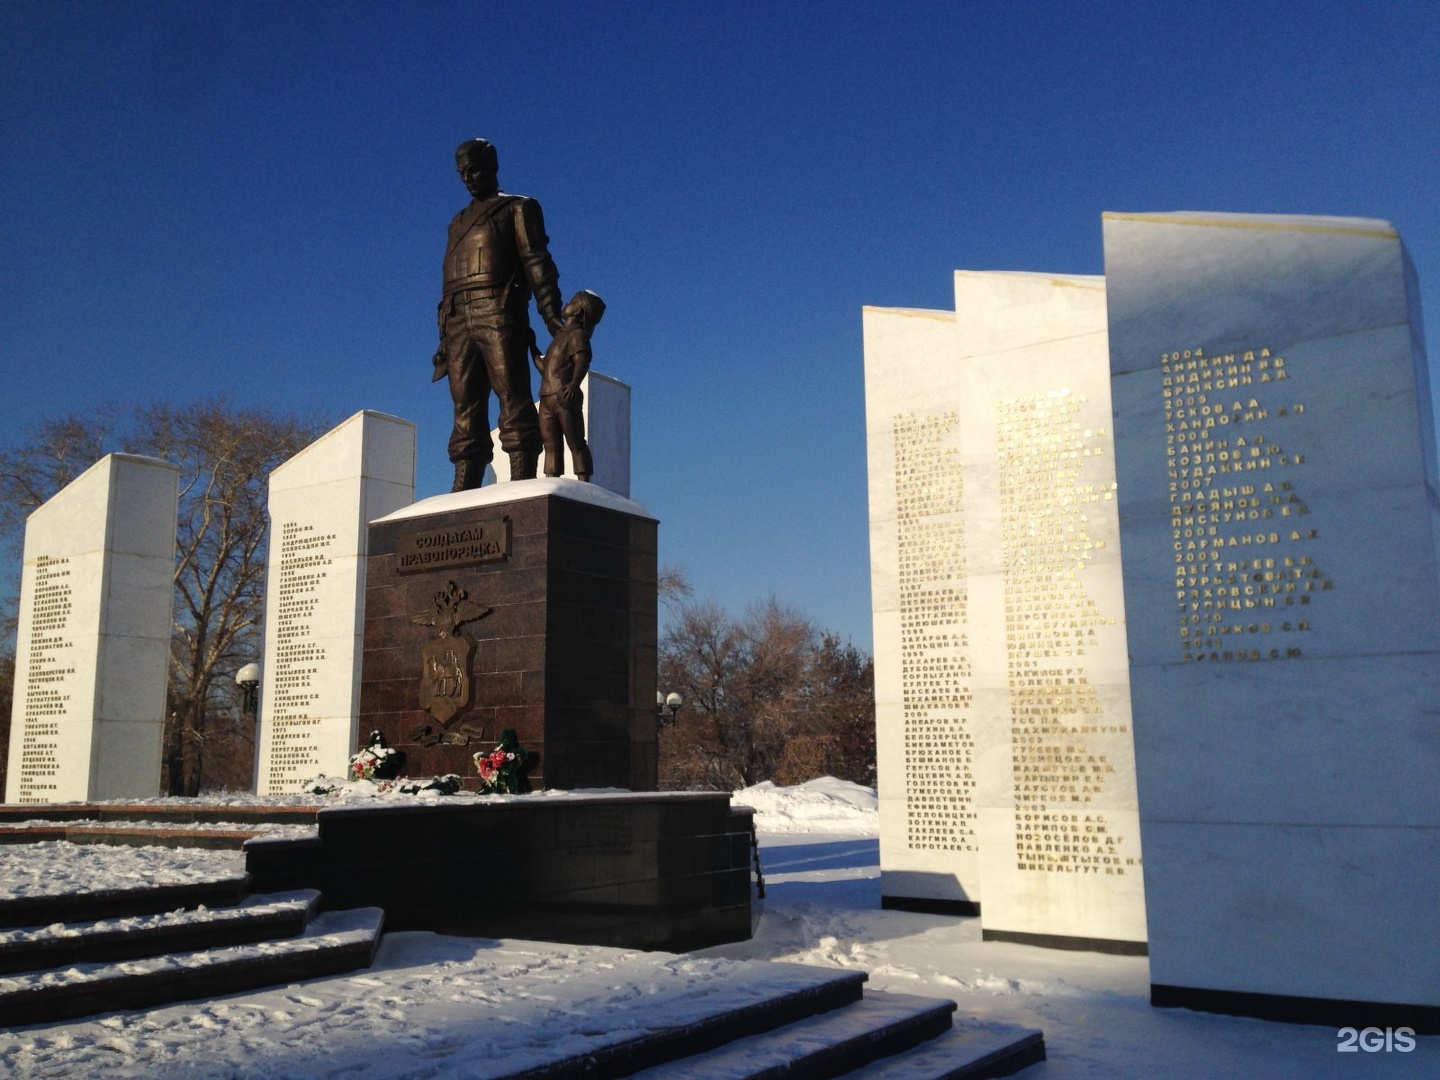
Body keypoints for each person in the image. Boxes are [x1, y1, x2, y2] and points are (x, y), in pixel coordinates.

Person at [432, 138, 563, 489]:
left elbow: (537, 262)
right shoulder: (456, 223)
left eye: (475, 170)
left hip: (498, 312)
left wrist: (551, 314)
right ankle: (464, 484)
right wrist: (443, 335)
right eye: (462, 172)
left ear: (492, 167)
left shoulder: (518, 207)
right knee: (464, 406)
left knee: (513, 396)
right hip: (457, 320)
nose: (468, 178)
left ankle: (521, 479)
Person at [534, 290, 605, 481]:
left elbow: (582, 360)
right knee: (550, 444)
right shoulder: (560, 337)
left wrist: (574, 384)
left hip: (564, 396)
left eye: (572, 302)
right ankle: (551, 479)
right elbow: (546, 369)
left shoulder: (577, 335)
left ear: (578, 311)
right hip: (546, 396)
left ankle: (584, 480)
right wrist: (532, 346)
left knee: (575, 442)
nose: (566, 304)